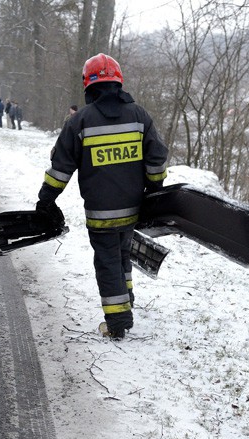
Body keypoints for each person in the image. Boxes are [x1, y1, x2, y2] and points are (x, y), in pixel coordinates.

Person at [34, 53, 168, 339]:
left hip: (100, 213)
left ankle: (118, 322)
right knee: (122, 254)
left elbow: (60, 169)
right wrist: (156, 190)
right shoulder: (140, 116)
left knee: (107, 261)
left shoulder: (79, 122)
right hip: (133, 209)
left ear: (89, 85)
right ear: (118, 82)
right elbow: (156, 159)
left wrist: (46, 199)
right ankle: (126, 300)